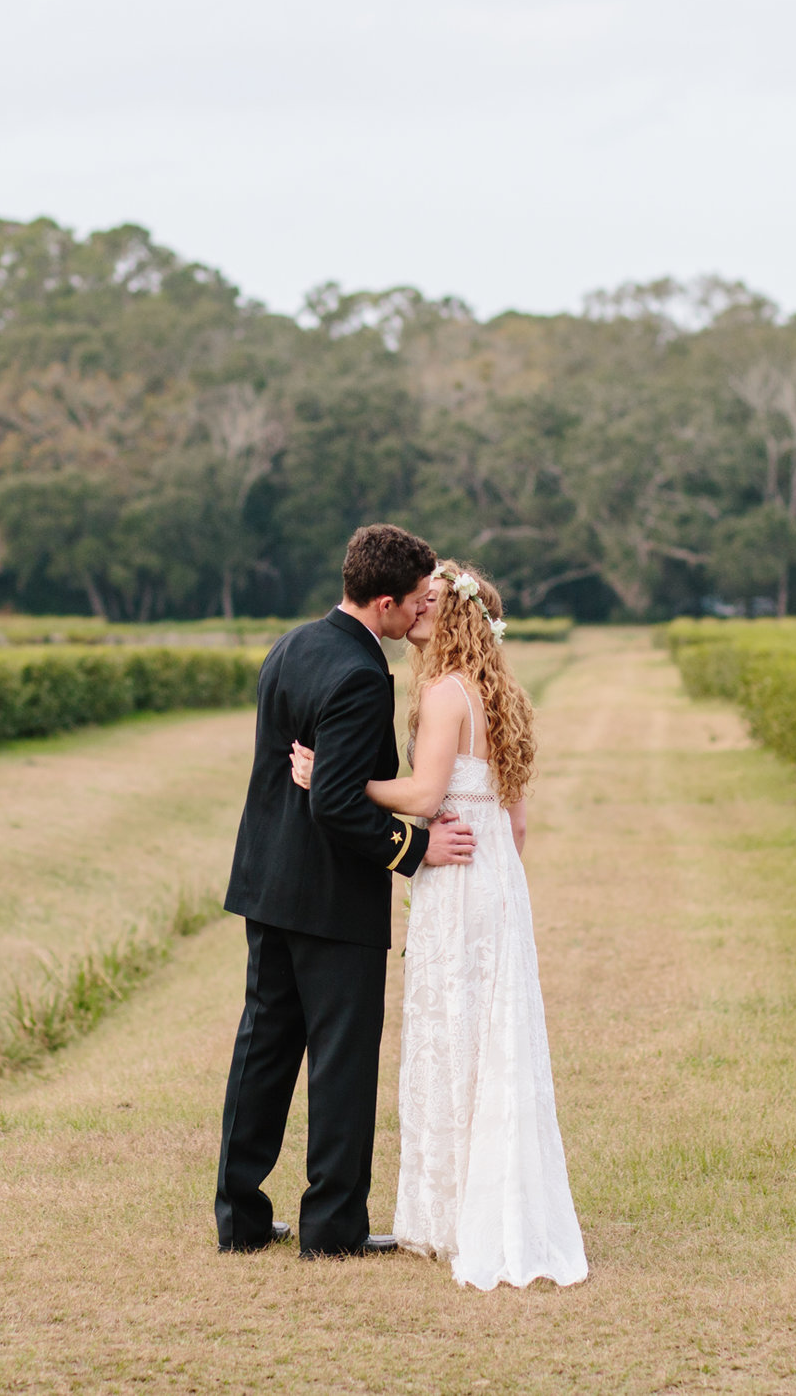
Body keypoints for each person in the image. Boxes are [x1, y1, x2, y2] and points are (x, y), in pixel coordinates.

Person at [290, 560, 587, 1289]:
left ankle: (455, 1213)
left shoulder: (446, 692)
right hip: (495, 880)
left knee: (454, 1032)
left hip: (456, 878)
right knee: (493, 1035)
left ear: (451, 619)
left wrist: (337, 777)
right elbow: (515, 823)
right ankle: (482, 1201)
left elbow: (424, 791)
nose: (417, 612)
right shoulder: (501, 693)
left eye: (430, 606)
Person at [215, 523, 478, 1258]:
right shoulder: (364, 673)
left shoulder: (293, 644)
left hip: (267, 884)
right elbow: (333, 800)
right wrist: (417, 848)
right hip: (332, 900)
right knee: (340, 1062)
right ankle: (331, 1228)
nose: (420, 613)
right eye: (416, 601)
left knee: (262, 1051)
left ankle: (238, 1217)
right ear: (387, 601)